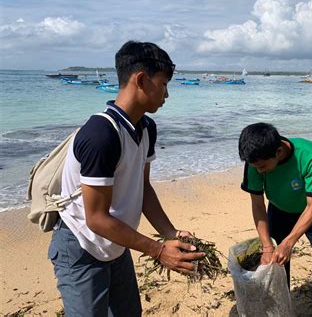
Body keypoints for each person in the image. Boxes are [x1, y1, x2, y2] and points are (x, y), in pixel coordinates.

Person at [48, 41, 205, 316]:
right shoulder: (101, 134)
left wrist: (170, 232)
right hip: (81, 245)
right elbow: (95, 218)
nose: (167, 93)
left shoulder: (146, 128)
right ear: (142, 80)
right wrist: (158, 250)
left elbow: (142, 188)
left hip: (117, 242)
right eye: (164, 84)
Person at [239, 123, 312, 317]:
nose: (259, 171)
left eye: (263, 167)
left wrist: (289, 242)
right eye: (256, 167)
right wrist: (267, 246)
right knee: (277, 268)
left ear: (279, 152)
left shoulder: (309, 155)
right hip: (279, 209)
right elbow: (258, 205)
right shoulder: (254, 162)